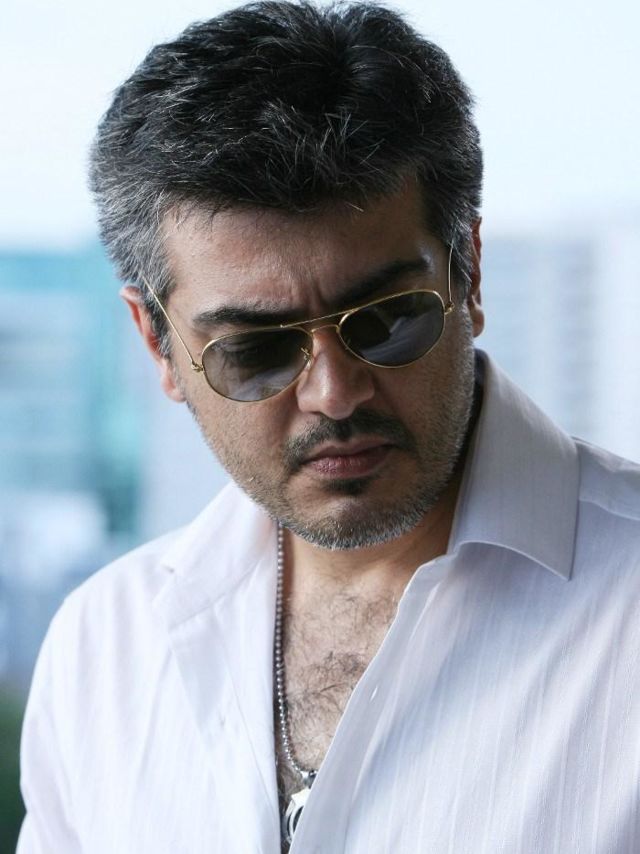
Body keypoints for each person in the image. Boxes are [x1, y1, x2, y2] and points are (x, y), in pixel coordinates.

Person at [18, 2, 640, 852]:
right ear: (157, 344)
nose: (335, 394)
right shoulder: (103, 654)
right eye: (256, 350)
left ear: (470, 275)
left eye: (386, 320)